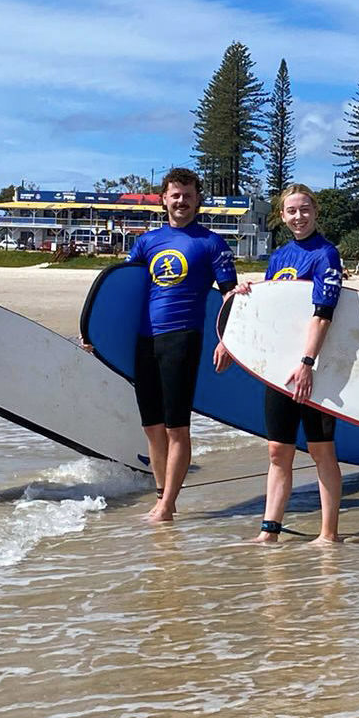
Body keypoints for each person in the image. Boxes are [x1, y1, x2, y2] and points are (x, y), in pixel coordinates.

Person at [217, 184, 343, 544]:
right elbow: (272, 315)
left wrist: (307, 362)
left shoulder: (326, 255)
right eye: (291, 211)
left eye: (305, 210)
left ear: (315, 213)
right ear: (282, 216)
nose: (298, 217)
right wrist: (241, 312)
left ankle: (328, 533)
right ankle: (269, 530)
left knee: (321, 450)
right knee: (277, 450)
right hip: (278, 371)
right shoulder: (279, 257)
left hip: (312, 369)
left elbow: (323, 314)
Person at [122, 167, 238, 524]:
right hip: (146, 339)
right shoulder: (146, 242)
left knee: (176, 428)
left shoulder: (211, 243)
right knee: (151, 427)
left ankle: (168, 504)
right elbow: (122, 293)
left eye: (188, 195)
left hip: (182, 338)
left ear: (198, 199)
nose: (182, 201)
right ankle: (161, 495)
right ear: (164, 199)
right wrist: (95, 335)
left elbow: (230, 296)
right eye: (175, 195)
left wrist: (227, 341)